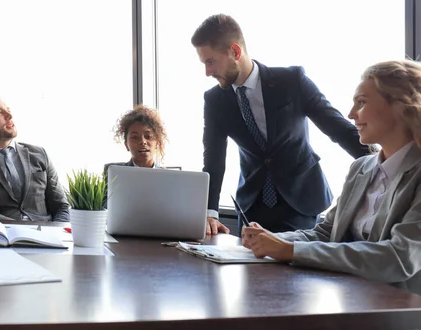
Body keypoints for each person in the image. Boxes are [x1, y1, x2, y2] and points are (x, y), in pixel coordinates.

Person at [242, 60, 421, 294]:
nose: (351, 114)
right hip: (352, 300)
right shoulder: (361, 168)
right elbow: (326, 233)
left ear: (400, 105)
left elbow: (399, 258)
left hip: (399, 311)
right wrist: (269, 240)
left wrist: (289, 250)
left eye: (361, 102)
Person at [191, 14, 371, 234]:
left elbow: (338, 129)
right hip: (252, 208)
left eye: (211, 62)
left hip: (300, 202)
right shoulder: (214, 100)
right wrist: (210, 211)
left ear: (235, 52)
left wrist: (382, 166)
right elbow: (213, 159)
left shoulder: (292, 81)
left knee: (297, 267)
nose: (207, 72)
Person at [104, 105, 229, 235]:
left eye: (148, 136)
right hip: (123, 236)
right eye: (135, 137)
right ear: (126, 144)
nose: (143, 142)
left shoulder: (172, 178)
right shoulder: (113, 173)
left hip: (163, 238)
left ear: (157, 142)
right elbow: (104, 210)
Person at [0, 94, 69, 221]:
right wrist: (28, 233)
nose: (9, 116)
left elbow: (62, 207)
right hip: (5, 237)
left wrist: (55, 233)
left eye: (8, 110)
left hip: (48, 235)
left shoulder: (39, 154)